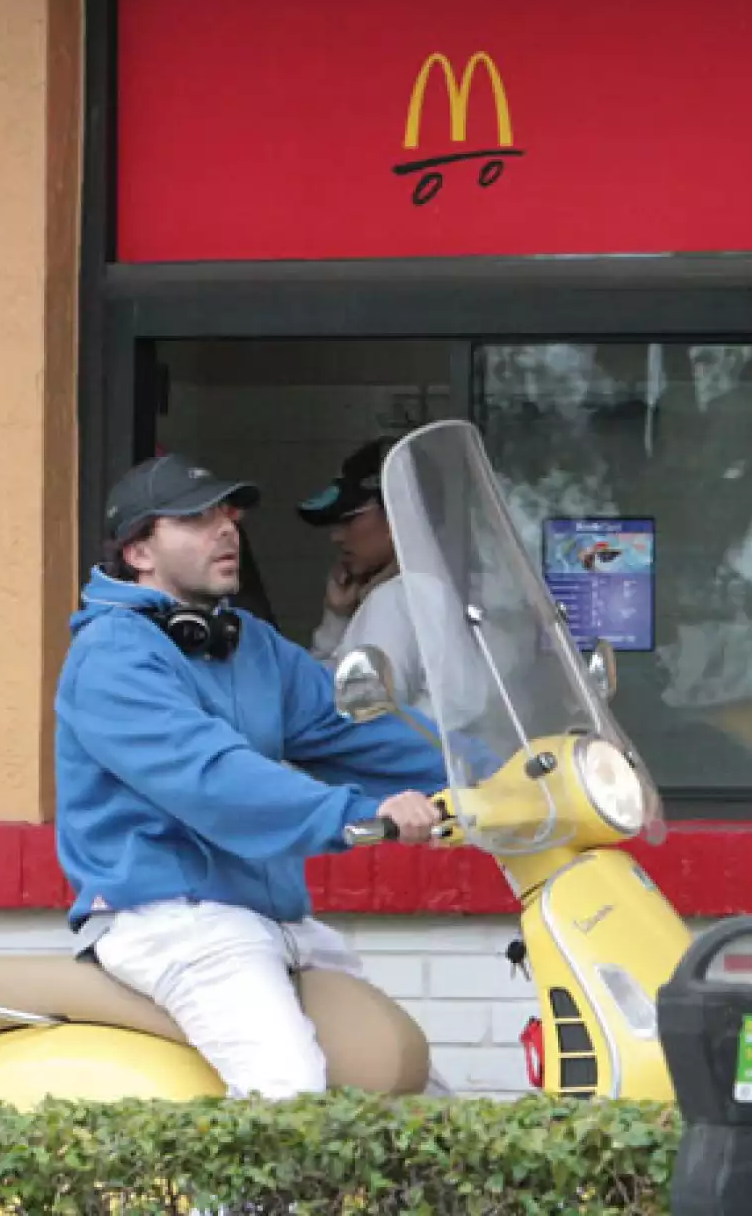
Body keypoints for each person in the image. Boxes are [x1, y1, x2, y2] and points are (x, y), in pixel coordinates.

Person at [52, 452, 451, 1100]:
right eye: (197, 517)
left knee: (408, 1090)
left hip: (271, 917)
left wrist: (505, 769)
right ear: (140, 551)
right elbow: (213, 779)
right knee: (285, 1091)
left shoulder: (246, 643)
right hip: (169, 917)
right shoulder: (112, 656)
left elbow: (357, 727)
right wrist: (348, 814)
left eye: (228, 514)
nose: (227, 528)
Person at [298, 436, 432, 717]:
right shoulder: (449, 588)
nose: (336, 537)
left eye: (349, 520)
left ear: (399, 514)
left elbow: (350, 718)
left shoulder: (395, 600)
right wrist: (338, 617)